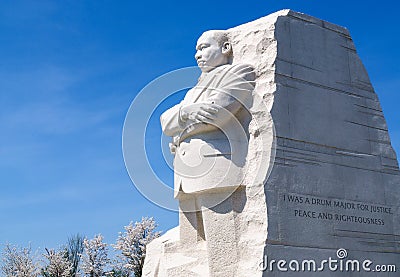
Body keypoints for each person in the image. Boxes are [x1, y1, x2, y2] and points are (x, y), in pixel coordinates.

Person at [160, 30, 255, 276]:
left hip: (215, 167)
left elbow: (217, 112)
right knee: (190, 250)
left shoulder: (239, 73)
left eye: (203, 48)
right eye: (196, 49)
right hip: (186, 173)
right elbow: (164, 120)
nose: (197, 55)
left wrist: (180, 127)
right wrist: (186, 114)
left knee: (223, 253)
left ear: (225, 48)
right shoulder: (194, 90)